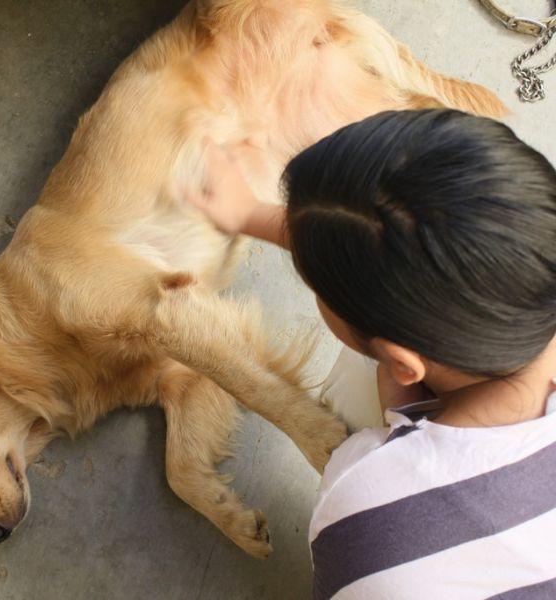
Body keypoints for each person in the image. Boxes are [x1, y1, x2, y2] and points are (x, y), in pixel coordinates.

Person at [187, 110, 556, 598]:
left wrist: (396, 419)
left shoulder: (367, 508)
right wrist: (252, 214)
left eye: (316, 286)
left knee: (349, 387)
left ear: (403, 364)